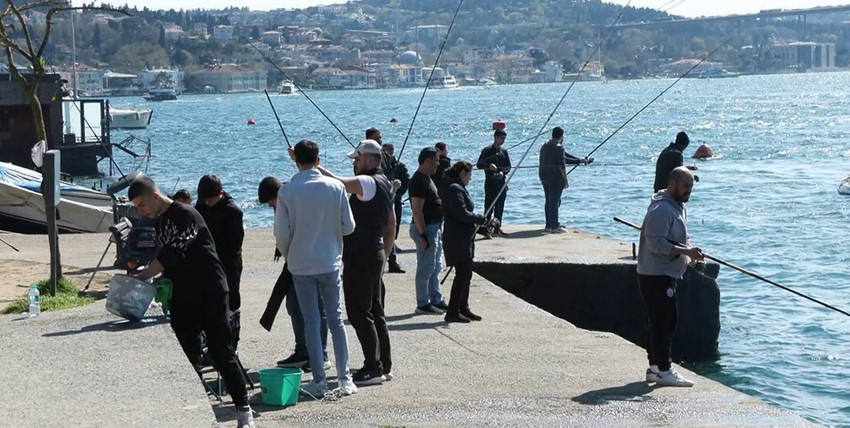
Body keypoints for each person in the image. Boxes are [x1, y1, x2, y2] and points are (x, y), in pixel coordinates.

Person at [129, 177, 253, 428]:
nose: (141, 211)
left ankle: (243, 409)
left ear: (154, 195)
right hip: (183, 294)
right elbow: (165, 259)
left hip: (210, 290)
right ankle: (195, 411)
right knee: (186, 353)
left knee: (221, 350)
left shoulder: (186, 214)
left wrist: (141, 277)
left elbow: (169, 254)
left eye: (142, 205)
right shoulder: (160, 221)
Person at [275, 140, 357, 397]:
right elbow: (349, 226)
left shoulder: (287, 191)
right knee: (335, 319)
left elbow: (281, 234)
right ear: (319, 160)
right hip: (330, 260)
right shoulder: (336, 187)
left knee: (311, 321)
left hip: (300, 264)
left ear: (296, 161)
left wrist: (290, 255)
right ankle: (344, 378)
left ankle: (319, 380)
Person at [318, 139, 395, 386]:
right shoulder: (384, 184)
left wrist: (313, 167)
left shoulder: (369, 182)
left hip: (361, 254)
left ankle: (373, 367)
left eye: (358, 159)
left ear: (371, 160)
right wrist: (386, 250)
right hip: (374, 252)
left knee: (359, 312)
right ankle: (384, 364)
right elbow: (391, 224)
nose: (355, 163)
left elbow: (337, 184)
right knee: (375, 310)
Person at [637, 166, 704, 387]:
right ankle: (664, 369)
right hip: (656, 274)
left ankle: (654, 368)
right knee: (664, 322)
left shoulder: (677, 206)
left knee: (660, 320)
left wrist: (690, 253)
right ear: (672, 184)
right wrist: (685, 252)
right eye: (685, 186)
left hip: (665, 273)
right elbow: (655, 244)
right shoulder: (661, 210)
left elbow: (678, 238)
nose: (688, 191)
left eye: (691, 187)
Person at [256, 177, 330, 373]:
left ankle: (321, 354)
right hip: (294, 259)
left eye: (271, 201)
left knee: (315, 308)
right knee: (293, 305)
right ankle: (303, 350)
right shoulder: (282, 199)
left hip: (310, 259)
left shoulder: (292, 196)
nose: (272, 206)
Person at [439, 161, 495, 323]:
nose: (470, 179)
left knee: (467, 273)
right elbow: (461, 214)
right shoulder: (454, 189)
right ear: (463, 173)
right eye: (469, 175)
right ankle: (452, 311)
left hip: (464, 236)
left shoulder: (454, 187)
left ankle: (463, 307)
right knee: (462, 274)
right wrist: (481, 218)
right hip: (457, 238)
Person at [195, 174, 244, 349]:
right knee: (208, 304)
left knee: (230, 303)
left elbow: (235, 246)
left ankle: (231, 342)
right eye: (205, 200)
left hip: (228, 263)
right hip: (206, 263)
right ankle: (209, 344)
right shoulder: (201, 206)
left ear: (221, 193)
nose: (208, 203)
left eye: (211, 199)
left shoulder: (233, 211)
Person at [409, 147, 447, 315]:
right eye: (436, 161)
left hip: (435, 227)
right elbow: (417, 210)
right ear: (427, 161)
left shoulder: (428, 178)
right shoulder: (418, 180)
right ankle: (422, 302)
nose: (438, 164)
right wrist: (423, 234)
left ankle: (435, 299)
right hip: (426, 229)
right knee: (426, 267)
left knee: (436, 265)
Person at [538, 127, 589, 234]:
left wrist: (579, 160)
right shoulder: (558, 147)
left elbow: (565, 156)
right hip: (555, 179)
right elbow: (562, 165)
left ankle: (549, 225)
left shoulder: (545, 145)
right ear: (561, 136)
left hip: (544, 176)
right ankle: (555, 226)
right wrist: (565, 180)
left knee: (549, 200)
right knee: (555, 201)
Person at [381, 142, 410, 274]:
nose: (389, 153)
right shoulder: (381, 165)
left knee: (394, 228)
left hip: (395, 200)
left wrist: (398, 193)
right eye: (387, 151)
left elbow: (406, 180)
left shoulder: (399, 165)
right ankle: (390, 260)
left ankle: (391, 257)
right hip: (383, 200)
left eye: (391, 150)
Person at [476, 129, 511, 237]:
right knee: (489, 206)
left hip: (501, 183)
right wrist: (489, 166)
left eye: (504, 139)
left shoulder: (504, 152)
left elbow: (508, 166)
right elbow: (479, 165)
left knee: (500, 206)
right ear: (495, 137)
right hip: (490, 182)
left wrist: (502, 171)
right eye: (501, 138)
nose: (503, 141)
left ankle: (497, 228)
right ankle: (486, 227)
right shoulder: (487, 150)